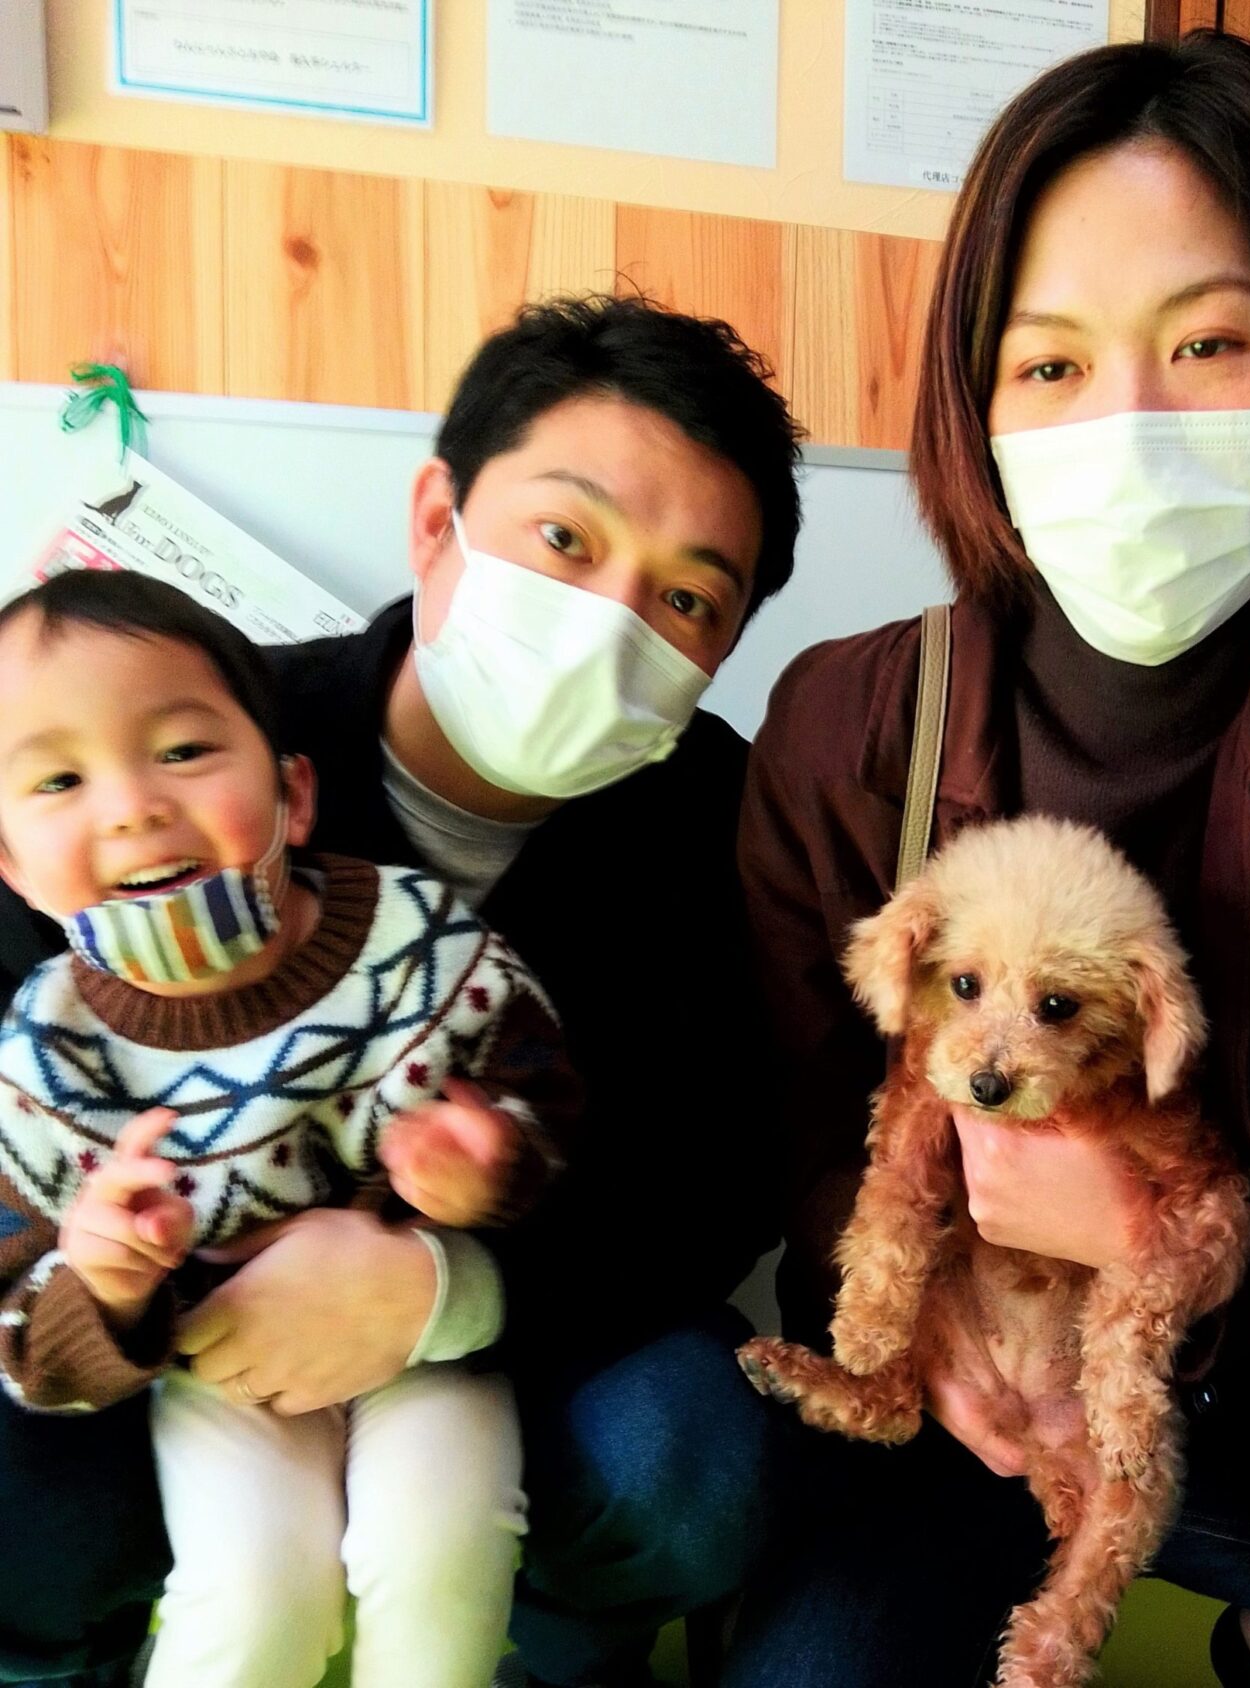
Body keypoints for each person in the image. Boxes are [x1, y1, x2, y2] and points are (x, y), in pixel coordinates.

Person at [728, 32, 1250, 1688]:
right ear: (975, 403)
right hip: (957, 1418)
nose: (1130, 421)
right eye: (1051, 364)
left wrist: (1176, 1247)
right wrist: (939, 1320)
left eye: (1206, 343)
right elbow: (783, 1116)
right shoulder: (853, 725)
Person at [0, 294, 803, 1688]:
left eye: (687, 598)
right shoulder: (202, 742)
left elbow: (719, 1177)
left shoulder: (721, 825)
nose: (608, 621)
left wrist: (448, 1283)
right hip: (158, 1333)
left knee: (692, 1447)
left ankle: (556, 1659)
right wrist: (125, 1279)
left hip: (506, 1344)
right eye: (566, 539)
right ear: (438, 520)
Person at [0, 570, 579, 1687]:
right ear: (15, 869)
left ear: (293, 794)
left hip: (423, 1337)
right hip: (218, 1364)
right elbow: (27, 1340)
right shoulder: (44, 1051)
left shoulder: (419, 940)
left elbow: (550, 1108)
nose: (132, 806)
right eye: (61, 778)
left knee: (439, 1555)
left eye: (182, 750)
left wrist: (491, 1166)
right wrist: (105, 1281)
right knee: (253, 1593)